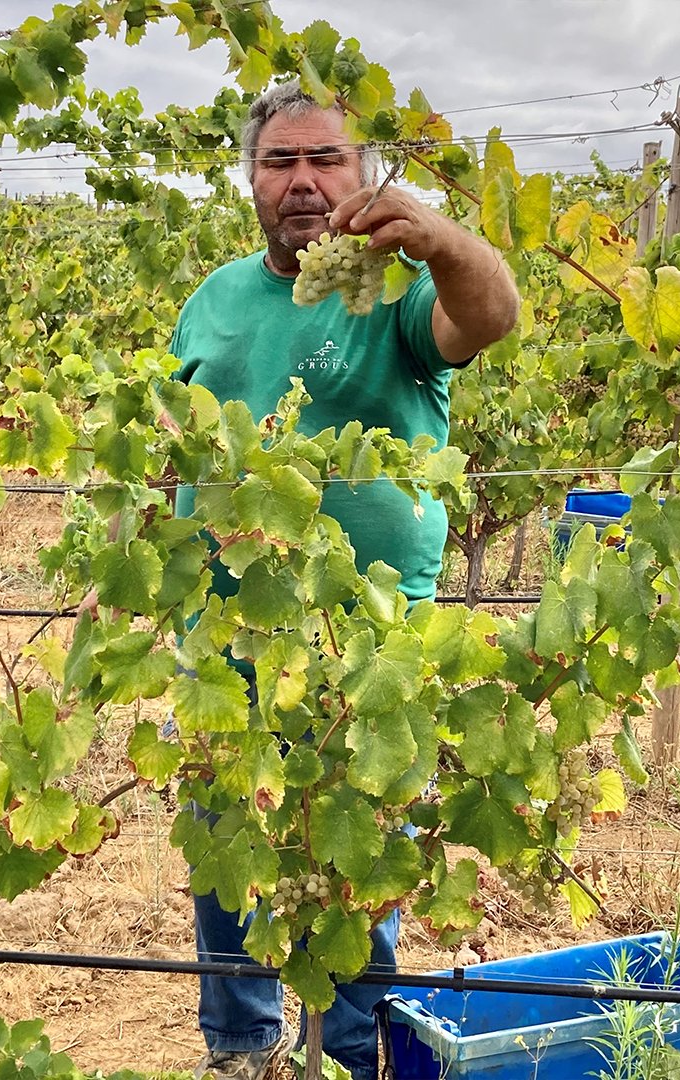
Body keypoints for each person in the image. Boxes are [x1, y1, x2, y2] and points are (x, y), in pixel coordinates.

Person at [168, 82, 520, 1080]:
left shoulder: (396, 292)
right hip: (225, 636)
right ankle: (242, 1046)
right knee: (226, 844)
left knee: (362, 853)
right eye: (281, 162)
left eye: (325, 159)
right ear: (252, 181)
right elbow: (169, 443)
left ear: (362, 175)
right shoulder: (215, 299)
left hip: (371, 647)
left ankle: (360, 1049)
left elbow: (489, 316)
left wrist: (441, 241)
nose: (304, 182)